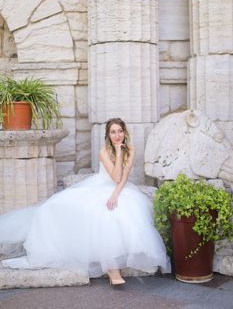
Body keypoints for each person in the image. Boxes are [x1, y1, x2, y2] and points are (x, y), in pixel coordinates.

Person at [0, 118, 171, 285]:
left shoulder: (131, 150)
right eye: (113, 132)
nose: (117, 135)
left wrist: (115, 195)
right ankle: (111, 267)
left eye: (120, 131)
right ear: (108, 135)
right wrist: (118, 152)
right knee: (53, 208)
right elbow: (115, 175)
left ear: (124, 132)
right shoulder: (104, 152)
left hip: (120, 189)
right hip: (100, 186)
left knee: (116, 213)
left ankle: (113, 266)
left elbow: (123, 178)